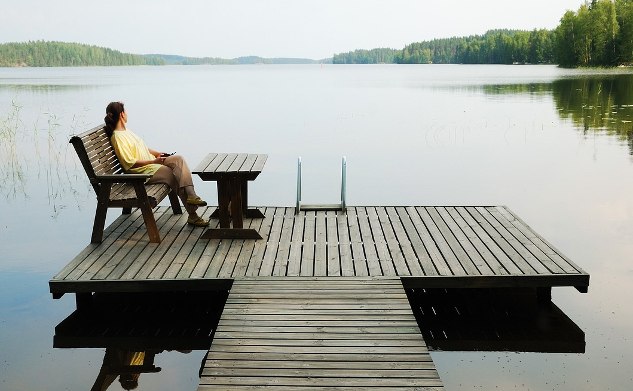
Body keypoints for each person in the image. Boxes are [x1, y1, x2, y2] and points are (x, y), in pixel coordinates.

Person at [104, 102, 209, 227]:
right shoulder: (117, 137)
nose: (127, 114)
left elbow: (143, 148)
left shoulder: (126, 131)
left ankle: (192, 195)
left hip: (153, 164)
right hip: (143, 172)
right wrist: (154, 161)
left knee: (179, 159)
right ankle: (193, 216)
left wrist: (157, 153)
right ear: (122, 114)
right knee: (174, 174)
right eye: (126, 112)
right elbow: (129, 163)